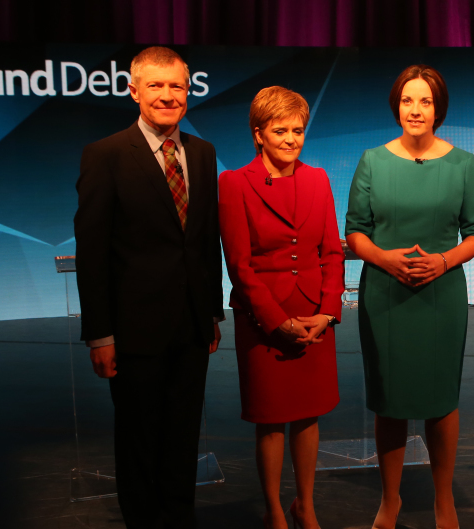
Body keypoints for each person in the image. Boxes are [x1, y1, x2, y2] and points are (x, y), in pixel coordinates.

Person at [74, 46, 224, 529]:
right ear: (133, 90)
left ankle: (179, 519)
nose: (167, 95)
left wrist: (213, 314)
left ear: (188, 91)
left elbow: (204, 240)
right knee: (139, 438)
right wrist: (100, 335)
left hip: (191, 326)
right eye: (155, 86)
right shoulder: (106, 155)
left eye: (176, 86)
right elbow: (92, 252)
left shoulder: (202, 153)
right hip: (133, 331)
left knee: (183, 435)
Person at [344, 64, 474, 529]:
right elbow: (356, 234)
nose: (416, 109)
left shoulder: (462, 162)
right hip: (385, 294)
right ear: (396, 105)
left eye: (425, 101)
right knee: (390, 399)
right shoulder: (372, 160)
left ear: (438, 108)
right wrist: (387, 261)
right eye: (408, 100)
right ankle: (391, 499)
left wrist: (443, 261)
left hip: (441, 295)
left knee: (441, 399)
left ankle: (444, 499)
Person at [219, 87, 344, 529]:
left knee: (309, 417)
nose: (291, 139)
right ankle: (274, 509)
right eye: (280, 130)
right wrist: (276, 321)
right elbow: (239, 264)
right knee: (271, 422)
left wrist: (327, 313)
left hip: (314, 318)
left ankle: (305, 504)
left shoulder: (319, 179)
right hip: (264, 322)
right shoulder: (234, 182)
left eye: (298, 130)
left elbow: (332, 251)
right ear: (258, 134)